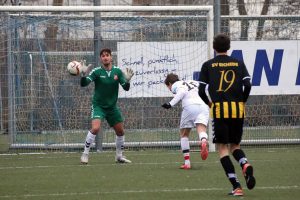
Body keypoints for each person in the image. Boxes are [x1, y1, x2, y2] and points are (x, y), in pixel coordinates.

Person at [198, 33, 255, 196]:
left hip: (219, 110)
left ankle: (236, 185)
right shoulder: (238, 63)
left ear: (214, 47)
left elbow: (201, 90)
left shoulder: (208, 65)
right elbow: (248, 85)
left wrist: (209, 103)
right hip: (238, 109)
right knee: (235, 146)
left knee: (222, 148)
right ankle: (244, 164)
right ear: (229, 47)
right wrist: (242, 100)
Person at [80, 48, 134, 164]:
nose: (105, 57)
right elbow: (84, 84)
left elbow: (125, 88)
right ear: (100, 59)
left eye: (107, 55)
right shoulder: (96, 71)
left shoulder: (117, 72)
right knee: (95, 128)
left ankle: (119, 156)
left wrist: (128, 81)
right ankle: (85, 154)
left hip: (112, 107)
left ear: (111, 57)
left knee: (120, 132)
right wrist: (83, 75)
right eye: (103, 56)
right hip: (98, 106)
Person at [162, 73, 209, 169]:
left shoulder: (177, 85)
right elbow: (207, 88)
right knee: (201, 129)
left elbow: (182, 92)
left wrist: (170, 104)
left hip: (190, 106)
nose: (170, 89)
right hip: (204, 106)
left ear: (170, 83)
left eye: (168, 87)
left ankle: (187, 163)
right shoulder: (194, 82)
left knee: (184, 134)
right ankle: (204, 141)